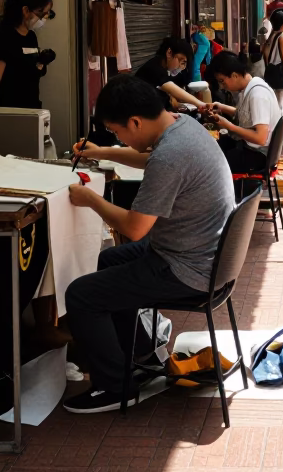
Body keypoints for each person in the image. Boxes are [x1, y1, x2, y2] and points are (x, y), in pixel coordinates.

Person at [63, 75, 234, 413]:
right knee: (110, 261)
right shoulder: (182, 125)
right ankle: (138, 350)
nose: (119, 138)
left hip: (187, 269)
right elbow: (148, 159)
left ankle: (116, 387)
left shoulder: (170, 155)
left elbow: (135, 227)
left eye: (118, 132)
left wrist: (90, 198)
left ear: (136, 122)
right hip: (203, 254)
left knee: (80, 294)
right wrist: (101, 152)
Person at [207, 52, 283, 175]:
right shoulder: (251, 86)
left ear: (235, 75)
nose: (222, 86)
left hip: (258, 155)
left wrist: (228, 126)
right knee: (212, 146)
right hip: (250, 148)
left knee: (210, 163)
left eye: (222, 81)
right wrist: (221, 107)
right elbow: (248, 115)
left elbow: (260, 138)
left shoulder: (257, 95)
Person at [0, 0, 55, 108]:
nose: (43, 19)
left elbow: (30, 72)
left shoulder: (31, 36)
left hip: (31, 109)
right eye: (41, 14)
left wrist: (41, 62)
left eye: (47, 14)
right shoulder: (1, 38)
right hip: (10, 112)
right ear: (26, 11)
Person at [135, 37, 202, 111]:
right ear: (169, 53)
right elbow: (171, 88)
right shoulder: (155, 68)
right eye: (182, 61)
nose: (182, 67)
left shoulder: (162, 66)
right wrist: (201, 104)